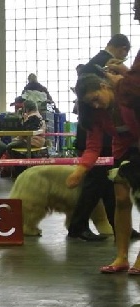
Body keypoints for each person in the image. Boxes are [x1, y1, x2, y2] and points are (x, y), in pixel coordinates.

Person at [66, 73, 140, 275]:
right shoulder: (95, 114)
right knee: (121, 200)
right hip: (124, 151)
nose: (96, 106)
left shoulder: (130, 96)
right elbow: (93, 146)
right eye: (90, 103)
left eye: (96, 99)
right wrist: (80, 170)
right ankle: (121, 257)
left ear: (103, 86)